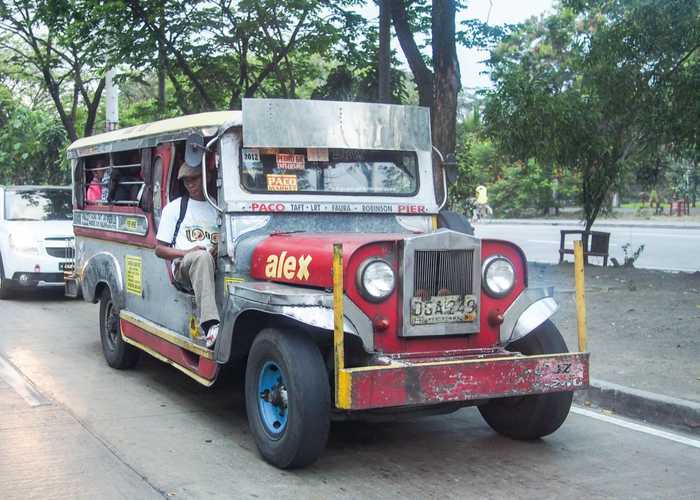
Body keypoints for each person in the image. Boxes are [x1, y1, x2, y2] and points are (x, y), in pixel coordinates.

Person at [155, 163, 221, 348]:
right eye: (186, 181)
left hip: (212, 264)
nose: (190, 184)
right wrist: (187, 252)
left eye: (194, 179)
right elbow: (159, 250)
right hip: (184, 266)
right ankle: (210, 325)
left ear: (206, 177)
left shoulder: (218, 207)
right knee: (201, 257)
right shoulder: (175, 208)